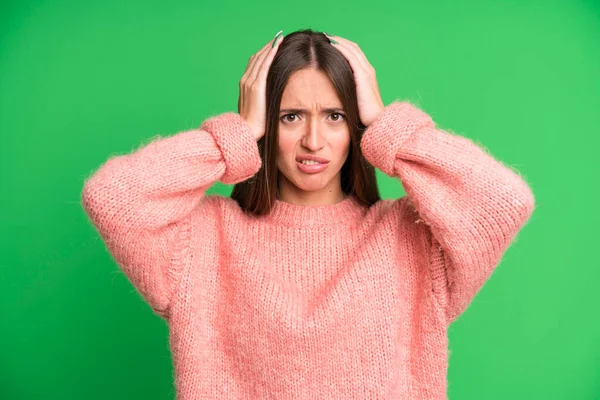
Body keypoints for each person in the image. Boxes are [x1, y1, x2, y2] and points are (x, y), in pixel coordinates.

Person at [81, 28, 536, 399]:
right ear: (265, 122)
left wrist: (387, 126)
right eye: (290, 116)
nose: (314, 141)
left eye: (335, 116)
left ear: (355, 123)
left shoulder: (409, 240)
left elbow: (502, 201)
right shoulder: (203, 241)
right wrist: (235, 136)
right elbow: (112, 198)